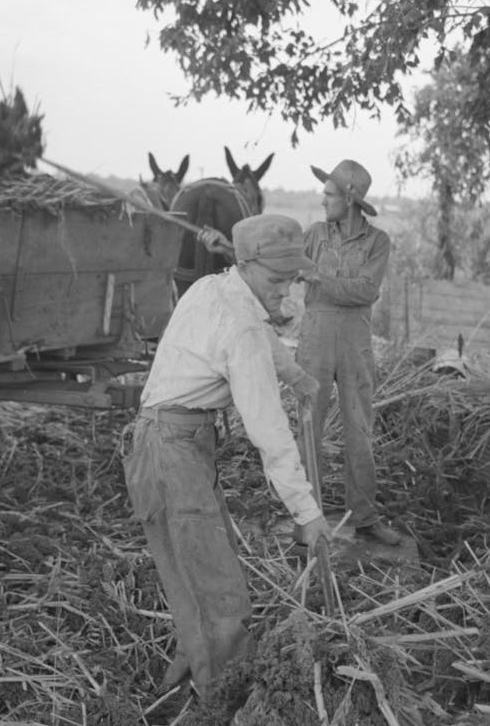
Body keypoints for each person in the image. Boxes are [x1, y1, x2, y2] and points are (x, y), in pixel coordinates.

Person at [122, 214, 332, 698]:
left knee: (190, 568)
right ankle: (226, 702)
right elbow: (268, 431)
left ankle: (191, 662)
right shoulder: (239, 325)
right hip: (174, 452)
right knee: (220, 586)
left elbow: (261, 339)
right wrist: (307, 511)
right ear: (248, 265)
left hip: (160, 441)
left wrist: (296, 375)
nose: (287, 292)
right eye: (278, 280)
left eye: (292, 279)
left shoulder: (213, 289)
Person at [297, 159, 401, 546]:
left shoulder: (378, 242)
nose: (322, 200)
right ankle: (306, 518)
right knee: (309, 428)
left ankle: (365, 516)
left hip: (355, 342)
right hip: (314, 339)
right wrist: (227, 247)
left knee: (360, 429)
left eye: (328, 194)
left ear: (350, 199)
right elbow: (275, 262)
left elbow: (365, 291)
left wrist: (318, 277)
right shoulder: (312, 235)